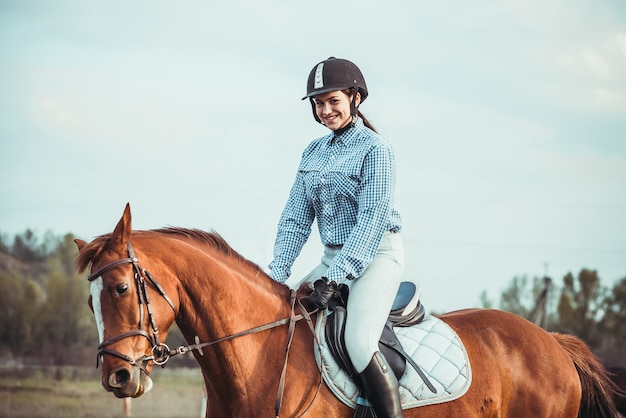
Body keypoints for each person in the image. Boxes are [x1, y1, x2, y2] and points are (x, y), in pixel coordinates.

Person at [269, 57, 405, 418]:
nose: (326, 110)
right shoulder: (312, 152)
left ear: (355, 98)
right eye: (319, 103)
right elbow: (295, 219)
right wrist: (274, 275)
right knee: (285, 324)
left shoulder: (376, 150)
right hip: (332, 258)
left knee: (358, 342)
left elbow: (371, 221)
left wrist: (336, 277)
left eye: (333, 101)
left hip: (377, 256)